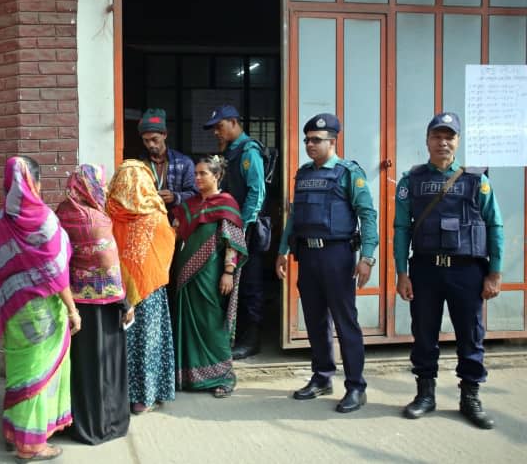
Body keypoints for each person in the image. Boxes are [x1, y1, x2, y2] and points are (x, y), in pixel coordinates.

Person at [393, 112, 503, 430]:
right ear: (427, 141)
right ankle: (425, 395)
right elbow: (401, 228)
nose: (443, 142)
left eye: (449, 136)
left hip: (467, 271)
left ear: (457, 141)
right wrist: (402, 272)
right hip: (426, 270)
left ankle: (470, 397)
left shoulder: (476, 180)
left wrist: (494, 273)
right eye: (437, 136)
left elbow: (494, 225)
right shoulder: (411, 181)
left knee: (471, 335)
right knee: (424, 334)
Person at [275, 113, 378, 413]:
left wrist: (367, 258)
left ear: (333, 141)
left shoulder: (348, 173)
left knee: (346, 323)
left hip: (337, 255)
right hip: (307, 255)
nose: (310, 144)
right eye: (307, 139)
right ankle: (322, 377)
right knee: (315, 320)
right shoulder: (303, 173)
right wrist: (283, 250)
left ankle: (356, 387)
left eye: (317, 140)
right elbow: (294, 216)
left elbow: (367, 214)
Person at [0, 156, 80, 462]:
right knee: (39, 374)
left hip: (14, 310)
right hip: (42, 313)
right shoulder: (43, 219)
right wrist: (73, 309)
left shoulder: (1, 220)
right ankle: (32, 445)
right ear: (35, 183)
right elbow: (56, 272)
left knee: (21, 369)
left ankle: (16, 430)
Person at [56, 164, 133, 445]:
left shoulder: (62, 212)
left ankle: (79, 421)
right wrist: (125, 303)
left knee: (82, 366)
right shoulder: (95, 220)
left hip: (73, 304)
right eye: (101, 183)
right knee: (104, 365)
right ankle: (105, 425)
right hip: (103, 305)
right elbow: (108, 265)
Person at [172, 155, 248, 398]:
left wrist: (228, 272)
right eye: (195, 173)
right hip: (184, 275)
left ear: (216, 176)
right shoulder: (189, 205)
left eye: (202, 173)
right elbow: (174, 234)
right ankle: (190, 377)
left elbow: (232, 243)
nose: (197, 177)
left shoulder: (226, 204)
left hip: (211, 274)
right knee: (187, 322)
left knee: (211, 322)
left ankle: (223, 376)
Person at [106, 160, 176, 414]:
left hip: (120, 290)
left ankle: (126, 394)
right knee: (146, 342)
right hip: (144, 289)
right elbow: (167, 246)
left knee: (125, 343)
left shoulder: (108, 210)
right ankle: (143, 397)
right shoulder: (154, 212)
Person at [203, 105, 266, 359]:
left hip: (245, 227)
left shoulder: (249, 150)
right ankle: (237, 334)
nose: (216, 132)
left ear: (233, 122)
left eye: (220, 126)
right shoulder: (230, 151)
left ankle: (253, 339)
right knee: (234, 284)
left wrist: (244, 224)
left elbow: (256, 191)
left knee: (250, 283)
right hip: (231, 226)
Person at [137, 108, 197, 220]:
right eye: (146, 140)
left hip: (176, 223)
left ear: (164, 135)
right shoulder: (139, 165)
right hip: (148, 223)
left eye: (154, 139)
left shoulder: (184, 163)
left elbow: (195, 195)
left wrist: (175, 197)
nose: (150, 144)